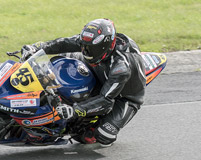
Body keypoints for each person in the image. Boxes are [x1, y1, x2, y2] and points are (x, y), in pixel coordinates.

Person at [21, 18, 146, 146]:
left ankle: (87, 127)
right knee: (62, 60)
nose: (86, 51)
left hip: (124, 97)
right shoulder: (91, 43)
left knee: (104, 135)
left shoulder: (121, 67)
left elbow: (106, 100)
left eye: (92, 49)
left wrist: (74, 110)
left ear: (106, 46)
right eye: (85, 47)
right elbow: (62, 43)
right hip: (97, 68)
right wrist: (36, 48)